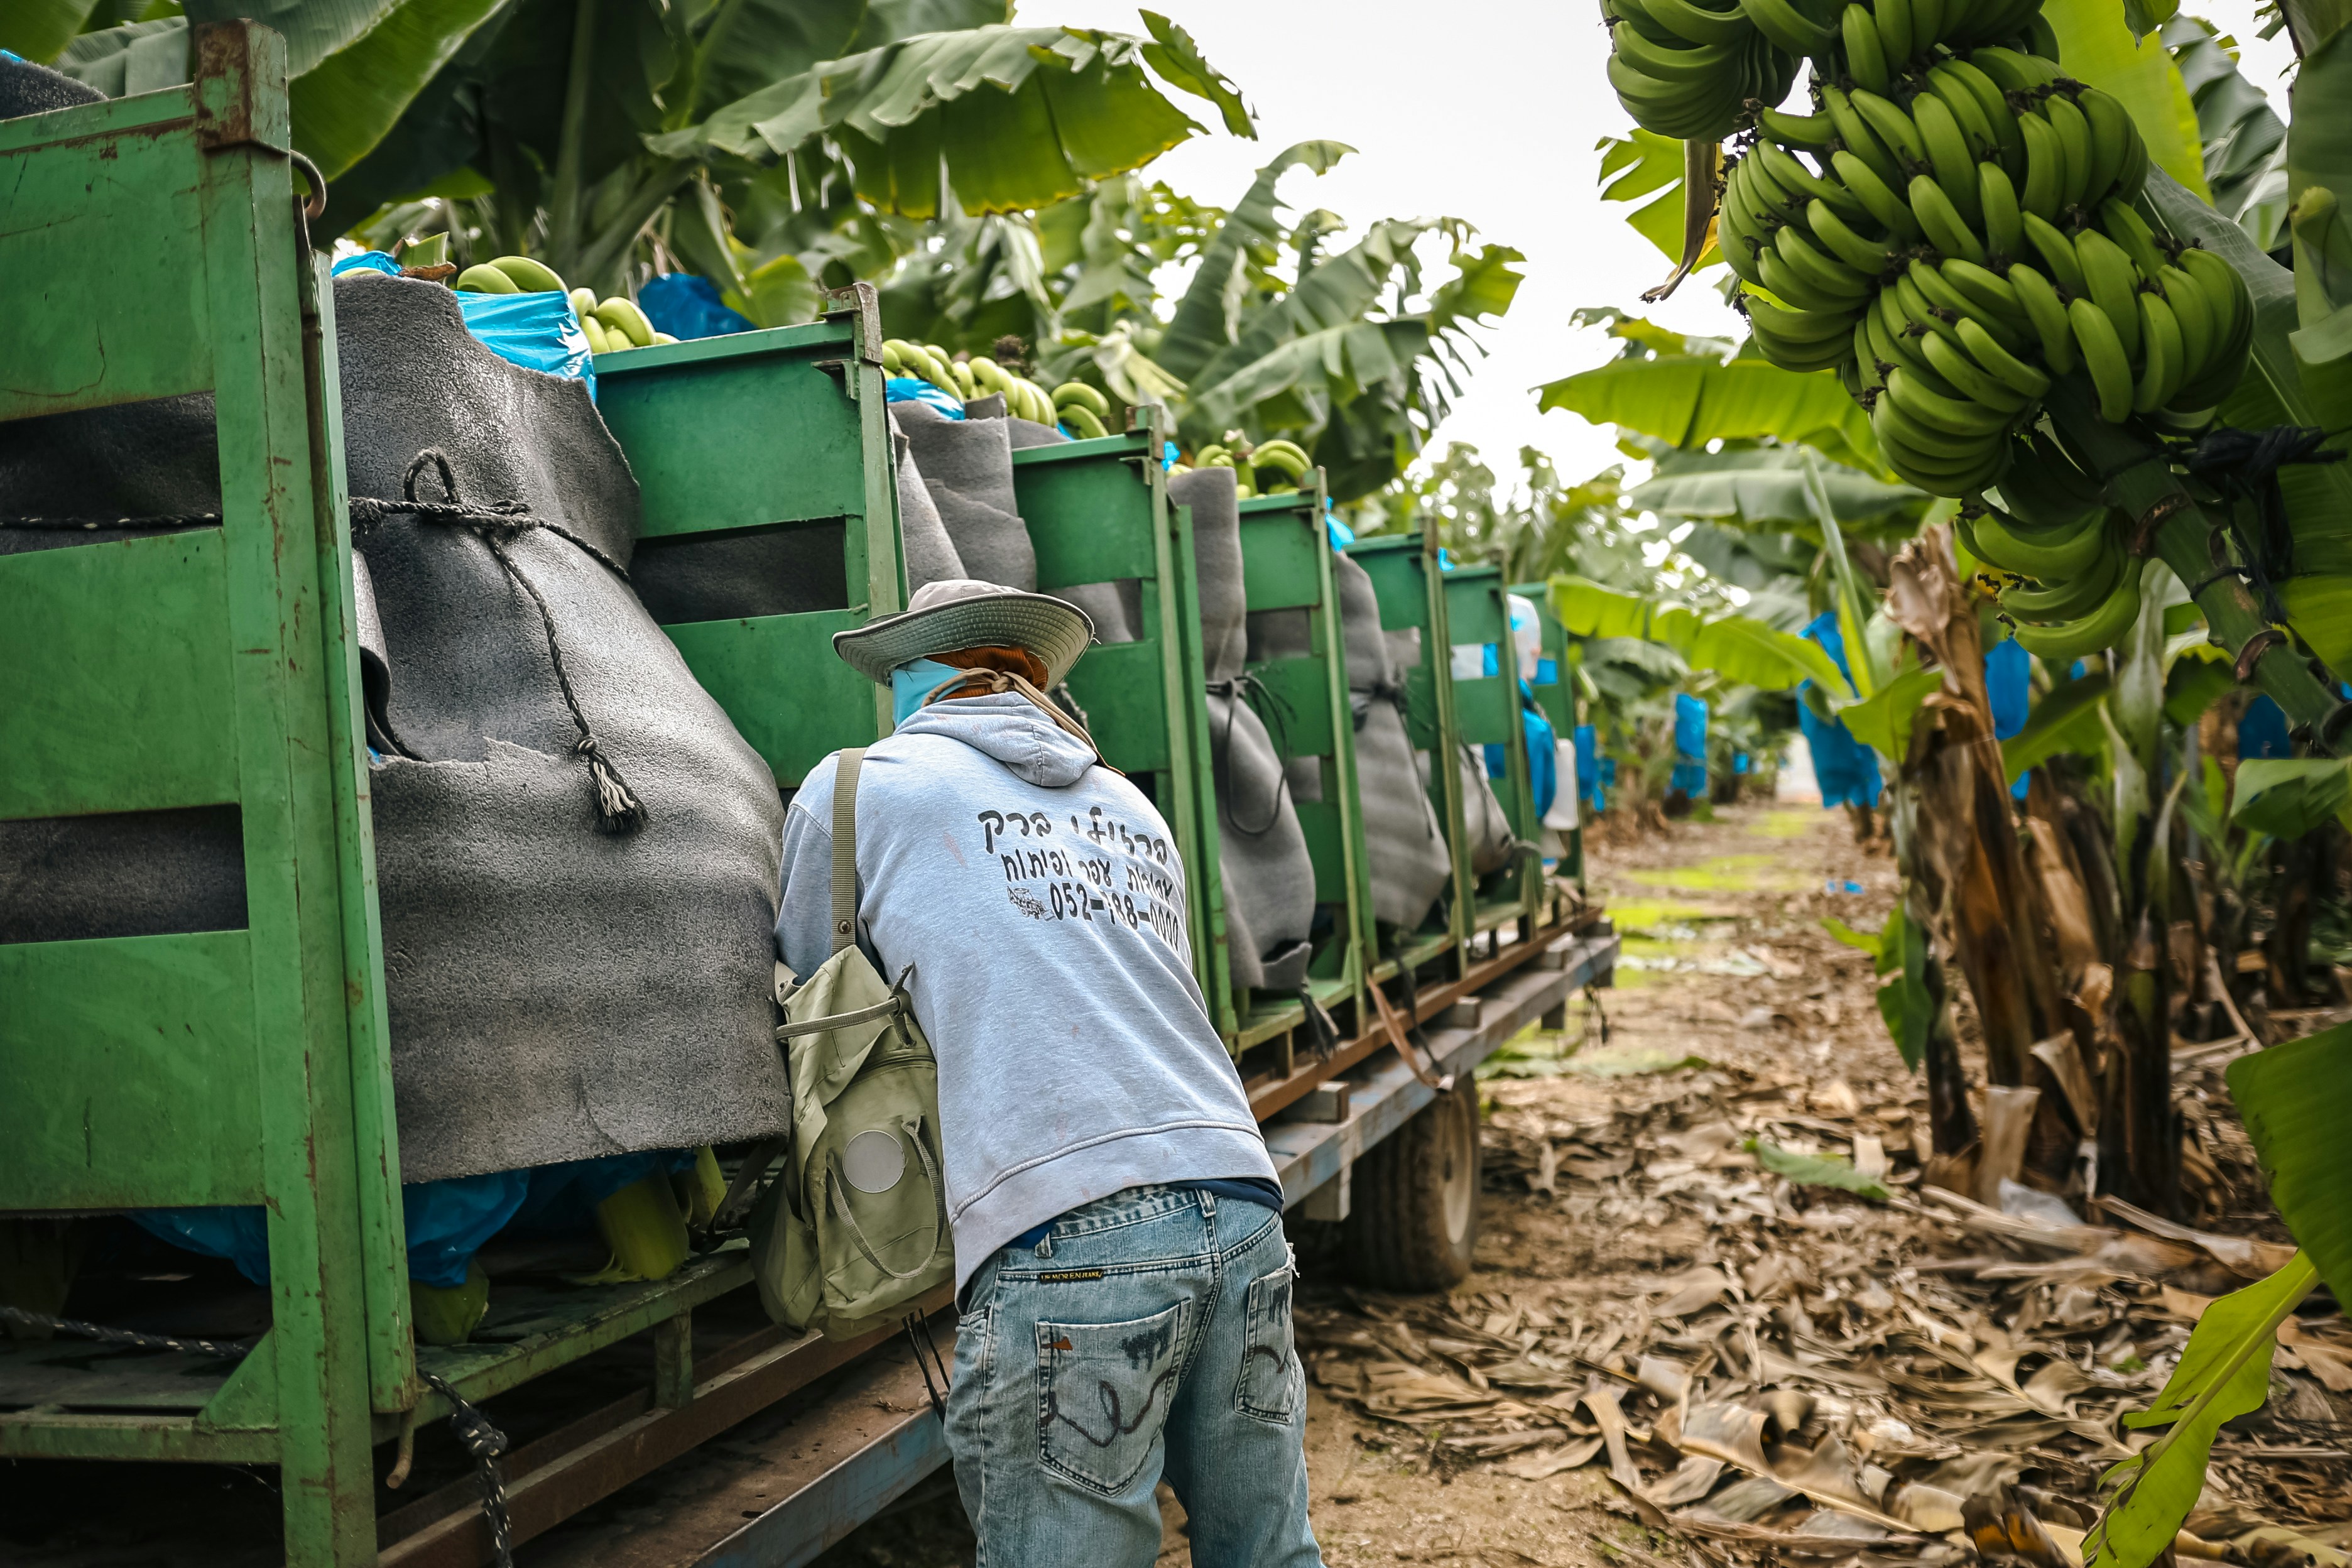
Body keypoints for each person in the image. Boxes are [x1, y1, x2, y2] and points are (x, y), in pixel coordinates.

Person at [775, 578, 1325, 1568]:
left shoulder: (858, 790)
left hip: (1067, 1229)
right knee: (1269, 1555)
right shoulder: (1130, 805)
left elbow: (819, 1012)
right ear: (1028, 676)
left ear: (916, 679)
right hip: (1241, 1200)